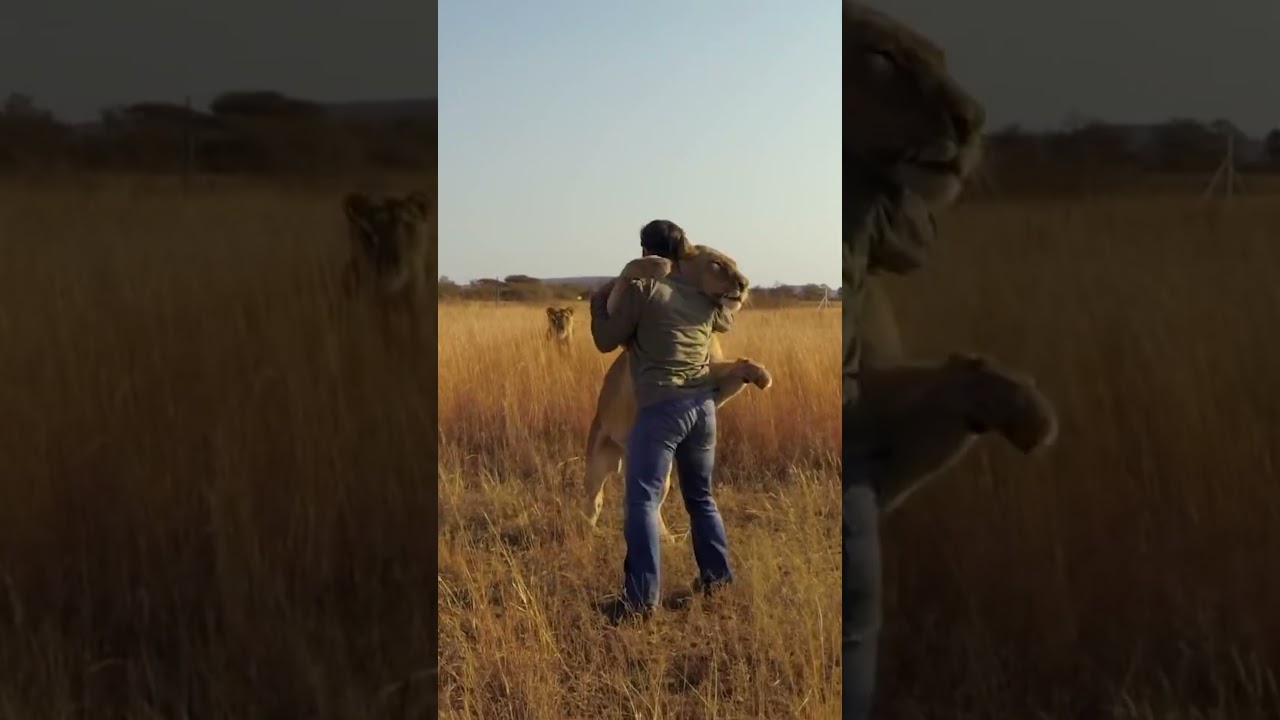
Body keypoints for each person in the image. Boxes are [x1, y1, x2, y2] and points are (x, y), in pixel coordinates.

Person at [590, 219, 736, 619]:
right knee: (701, 499)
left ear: (645, 251)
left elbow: (605, 340)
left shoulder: (643, 289)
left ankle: (639, 601)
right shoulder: (703, 295)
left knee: (640, 502)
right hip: (703, 412)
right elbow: (726, 318)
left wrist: (598, 303)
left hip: (661, 410)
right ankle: (717, 582)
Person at [844, 161, 938, 713]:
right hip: (852, 432)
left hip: (857, 424)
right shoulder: (861, 186)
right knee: (852, 633)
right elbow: (916, 244)